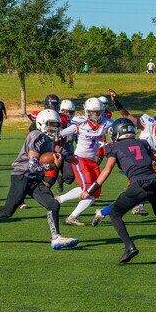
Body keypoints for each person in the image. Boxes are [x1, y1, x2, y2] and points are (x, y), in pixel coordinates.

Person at [0, 110, 79, 250]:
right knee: (6, 212)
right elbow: (33, 166)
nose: (55, 128)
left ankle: (56, 238)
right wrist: (52, 165)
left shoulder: (48, 138)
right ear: (41, 123)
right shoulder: (36, 136)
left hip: (34, 179)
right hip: (22, 176)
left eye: (57, 125)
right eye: (52, 125)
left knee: (53, 204)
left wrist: (65, 158)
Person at [80, 118, 156, 263]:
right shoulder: (142, 143)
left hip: (138, 185)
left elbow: (106, 171)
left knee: (115, 213)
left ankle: (129, 247)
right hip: (154, 183)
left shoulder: (113, 147)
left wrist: (90, 191)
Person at [92, 90, 156, 224]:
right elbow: (127, 116)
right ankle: (138, 205)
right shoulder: (148, 123)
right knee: (149, 183)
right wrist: (116, 102)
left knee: (132, 196)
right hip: (130, 158)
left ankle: (103, 212)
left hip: (145, 163)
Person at [56, 97, 113, 226]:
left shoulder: (107, 123)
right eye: (92, 112)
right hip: (80, 159)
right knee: (89, 191)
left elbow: (117, 131)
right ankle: (72, 217)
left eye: (97, 112)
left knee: (94, 190)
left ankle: (59, 199)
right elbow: (60, 134)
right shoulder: (80, 123)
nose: (94, 115)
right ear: (87, 111)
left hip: (92, 161)